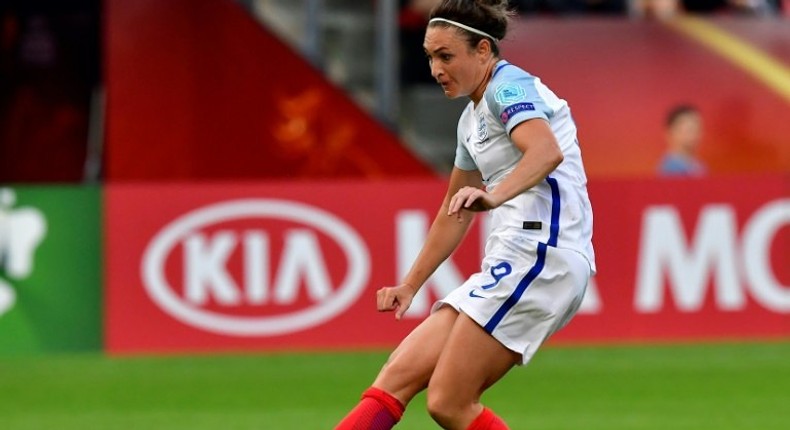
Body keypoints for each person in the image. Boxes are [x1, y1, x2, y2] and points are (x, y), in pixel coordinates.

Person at [335, 1, 596, 429]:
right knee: (395, 377)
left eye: (446, 55)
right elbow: (453, 211)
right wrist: (411, 283)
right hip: (511, 259)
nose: (436, 68)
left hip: (541, 255)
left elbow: (546, 151)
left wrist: (493, 195)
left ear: (482, 51)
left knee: (449, 402)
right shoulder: (471, 120)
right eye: (430, 57)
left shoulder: (508, 87)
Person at [657, 104, 706, 177]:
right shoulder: (669, 169)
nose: (694, 135)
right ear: (671, 131)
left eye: (697, 129)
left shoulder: (700, 167)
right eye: (689, 129)